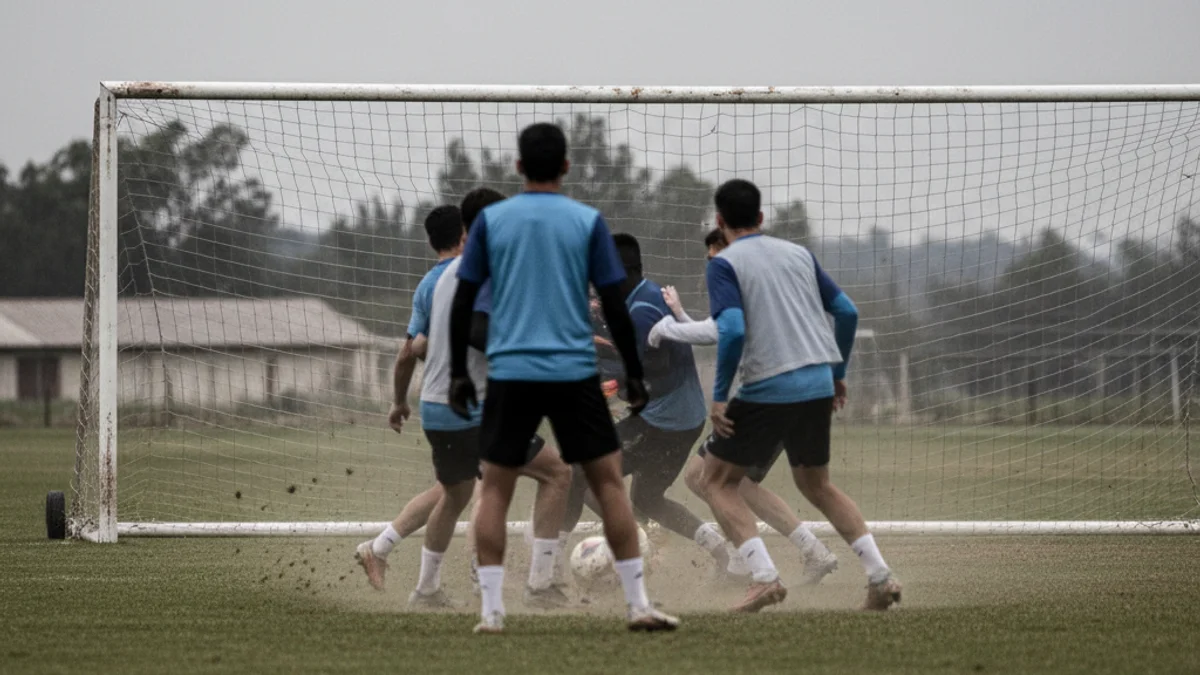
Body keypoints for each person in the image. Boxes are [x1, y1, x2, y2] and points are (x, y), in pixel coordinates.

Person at [448, 122, 678, 633]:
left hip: (511, 370)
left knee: (496, 489)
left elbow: (465, 299)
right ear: (567, 167)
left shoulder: (493, 223)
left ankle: (491, 612)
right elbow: (615, 304)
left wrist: (461, 374)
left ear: (518, 167)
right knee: (609, 485)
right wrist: (634, 370)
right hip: (574, 370)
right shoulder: (585, 221)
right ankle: (638, 604)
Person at [356, 198, 572, 609]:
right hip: (475, 407)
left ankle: (425, 588)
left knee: (454, 494)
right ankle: (537, 585)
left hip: (436, 408)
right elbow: (479, 332)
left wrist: (399, 401)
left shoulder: (438, 280)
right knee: (555, 474)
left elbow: (414, 348)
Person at [700, 179, 902, 613]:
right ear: (760, 218)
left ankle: (764, 577)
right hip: (815, 385)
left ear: (720, 221)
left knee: (713, 479)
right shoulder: (799, 254)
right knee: (817, 484)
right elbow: (847, 311)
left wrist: (719, 396)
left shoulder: (723, 263)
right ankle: (880, 576)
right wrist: (837, 372)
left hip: (769, 386)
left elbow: (732, 329)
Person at [648, 228, 839, 586]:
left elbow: (719, 333)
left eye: (714, 254)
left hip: (769, 398)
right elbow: (723, 330)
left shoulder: (746, 278)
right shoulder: (752, 278)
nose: (711, 263)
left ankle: (762, 561)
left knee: (719, 480)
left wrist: (667, 328)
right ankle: (782, 553)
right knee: (712, 479)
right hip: (778, 397)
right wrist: (681, 316)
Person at [560, 232, 739, 576]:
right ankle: (723, 554)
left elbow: (658, 370)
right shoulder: (643, 296)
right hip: (684, 418)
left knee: (578, 475)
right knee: (647, 498)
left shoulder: (641, 311)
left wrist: (613, 384)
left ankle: (548, 567)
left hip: (664, 423)